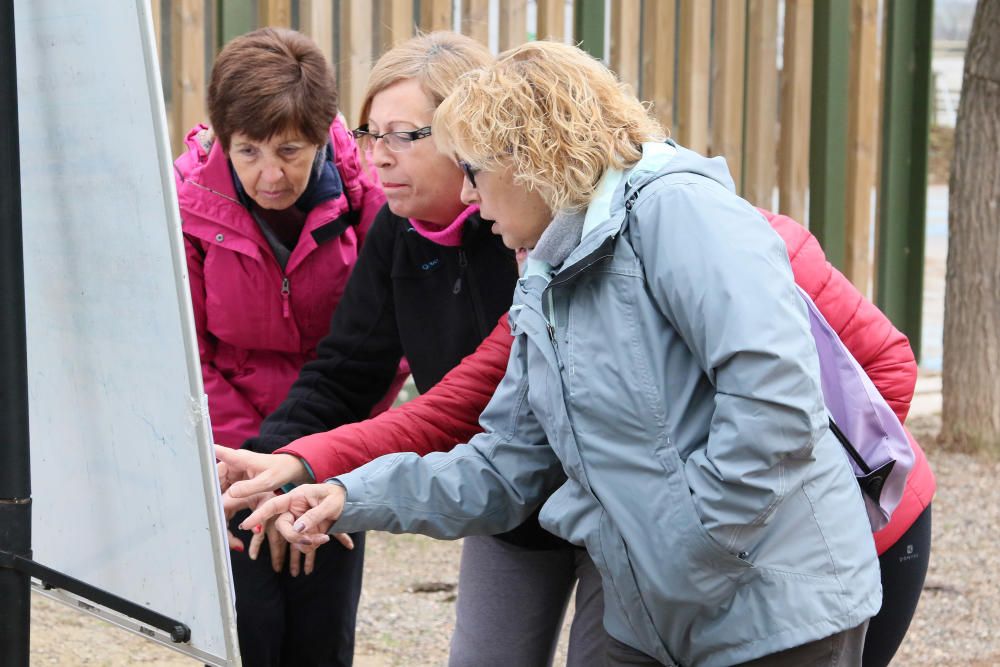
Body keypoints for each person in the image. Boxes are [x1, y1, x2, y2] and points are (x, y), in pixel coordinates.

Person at [242, 41, 885, 666]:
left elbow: (774, 401)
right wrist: (344, 495)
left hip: (771, 617)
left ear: (532, 158)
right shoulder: (545, 275)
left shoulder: (678, 210)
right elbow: (504, 462)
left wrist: (693, 546)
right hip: (655, 612)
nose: (469, 196)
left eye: (476, 171)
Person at [222, 207, 935, 667]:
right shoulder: (546, 289)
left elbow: (884, 372)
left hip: (845, 546)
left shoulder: (734, 242)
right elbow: (468, 432)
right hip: (686, 569)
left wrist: (723, 524)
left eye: (480, 171)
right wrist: (323, 474)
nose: (479, 202)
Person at [221, 32, 607, 667]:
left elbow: (461, 405)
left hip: (602, 505)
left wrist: (308, 468)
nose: (379, 157)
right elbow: (346, 371)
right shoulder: (398, 233)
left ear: (469, 133)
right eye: (371, 135)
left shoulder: (533, 232)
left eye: (404, 135)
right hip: (501, 498)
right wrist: (270, 465)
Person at [173, 27, 394, 666]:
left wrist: (305, 464)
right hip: (229, 459)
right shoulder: (185, 204)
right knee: (249, 634)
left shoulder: (369, 201)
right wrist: (258, 472)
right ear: (221, 136)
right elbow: (191, 354)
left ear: (325, 133)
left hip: (332, 449)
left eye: (291, 151)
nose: (271, 174)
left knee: (323, 635)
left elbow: (382, 345)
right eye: (249, 151)